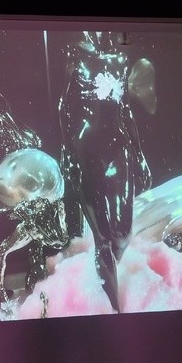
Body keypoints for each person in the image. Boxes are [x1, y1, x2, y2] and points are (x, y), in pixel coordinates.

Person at [58, 31, 151, 312]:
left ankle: (107, 285)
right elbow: (64, 106)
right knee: (103, 239)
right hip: (87, 148)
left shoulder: (119, 59)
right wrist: (67, 151)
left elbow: (126, 109)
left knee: (122, 232)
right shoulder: (75, 57)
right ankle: (113, 311)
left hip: (118, 146)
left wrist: (140, 156)